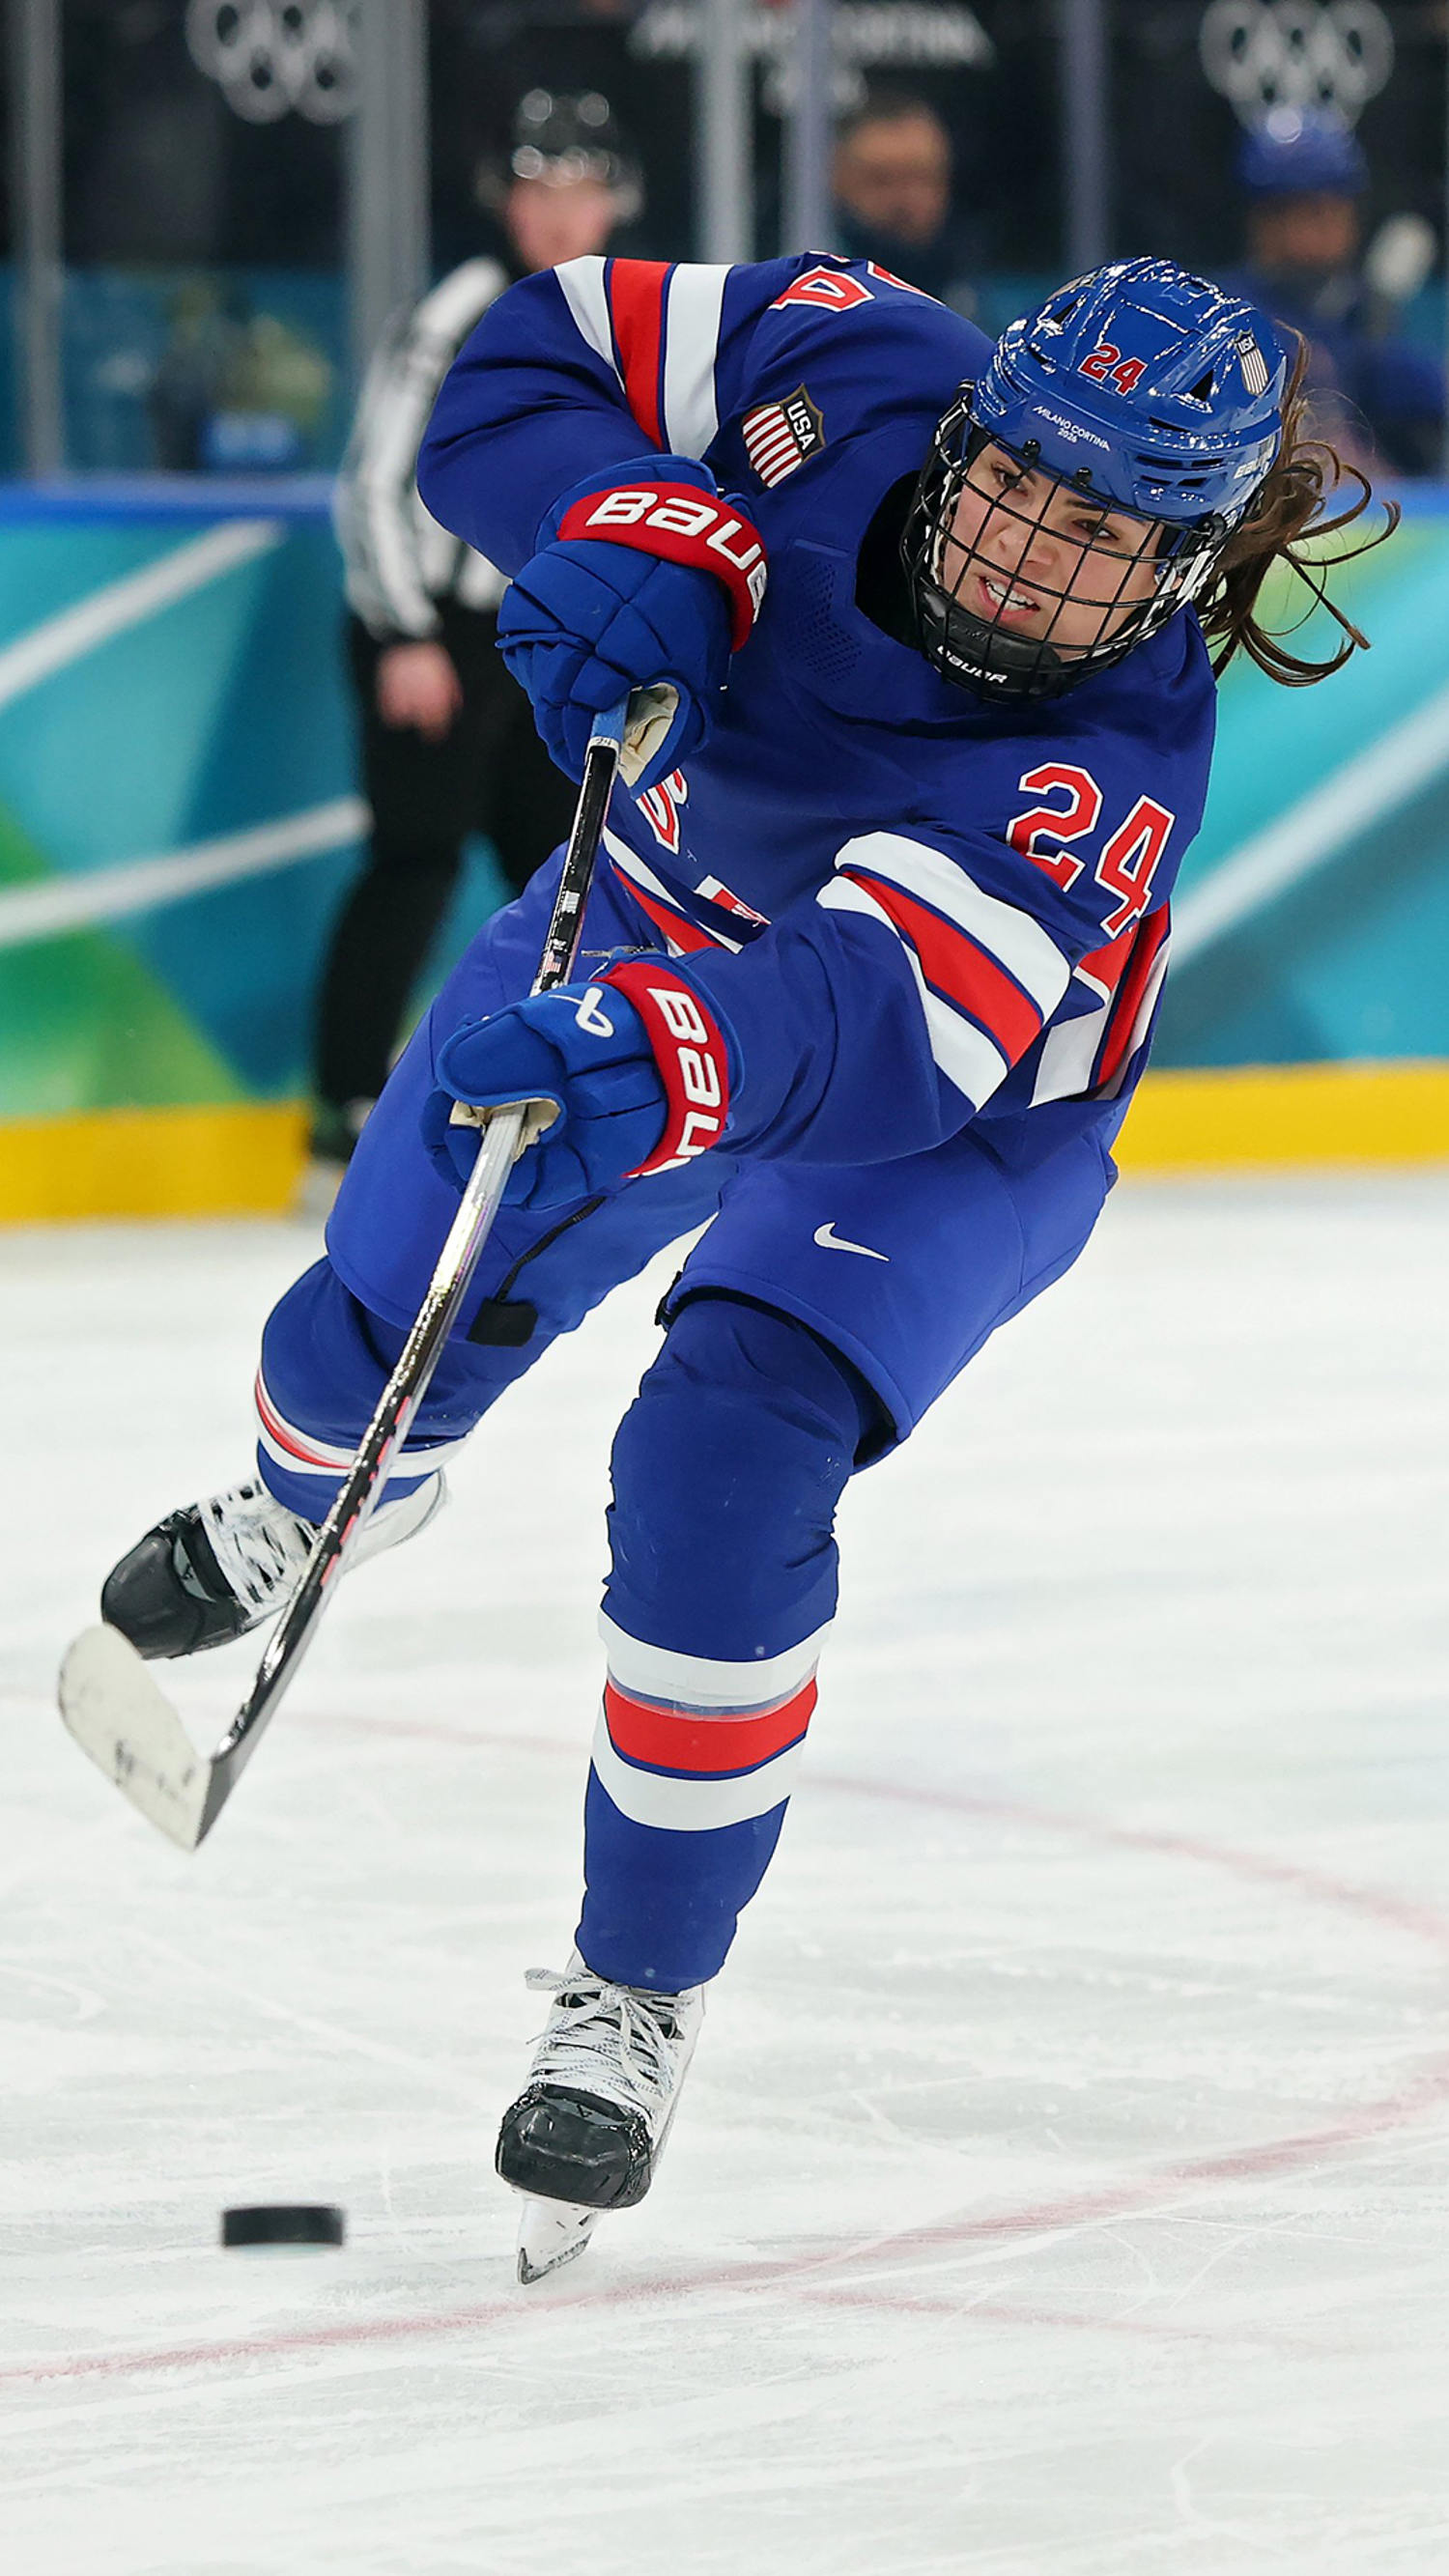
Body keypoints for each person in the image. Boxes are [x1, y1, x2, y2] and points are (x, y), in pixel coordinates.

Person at [98, 248, 1391, 2280]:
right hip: (639, 920)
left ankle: (636, 1991)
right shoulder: (848, 347)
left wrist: (667, 1044)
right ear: (967, 427)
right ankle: (313, 1502)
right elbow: (523, 354)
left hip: (942, 1118)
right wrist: (629, 513)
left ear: (1183, 569)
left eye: (1111, 539)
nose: (1040, 565)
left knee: (727, 1451)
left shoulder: (1111, 754)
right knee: (363, 1330)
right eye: (1027, 492)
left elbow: (879, 1027)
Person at [310, 90, 642, 1183]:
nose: (561, 212)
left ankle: (549, 1085)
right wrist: (404, 629)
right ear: (506, 199)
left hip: (534, 633)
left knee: (563, 873)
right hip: (439, 631)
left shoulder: (616, 316)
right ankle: (346, 1107)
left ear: (613, 204)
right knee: (415, 858)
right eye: (541, 188)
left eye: (583, 190)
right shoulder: (465, 309)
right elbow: (373, 478)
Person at [1229, 103, 1444, 477]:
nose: (1306, 232)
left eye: (1324, 209)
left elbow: (1423, 396)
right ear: (1259, 221)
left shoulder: (1365, 308)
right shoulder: (1228, 315)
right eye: (1286, 212)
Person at [831, 88, 977, 312]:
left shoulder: (984, 297)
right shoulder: (803, 292)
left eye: (925, 178)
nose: (907, 200)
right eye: (883, 180)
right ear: (838, 181)